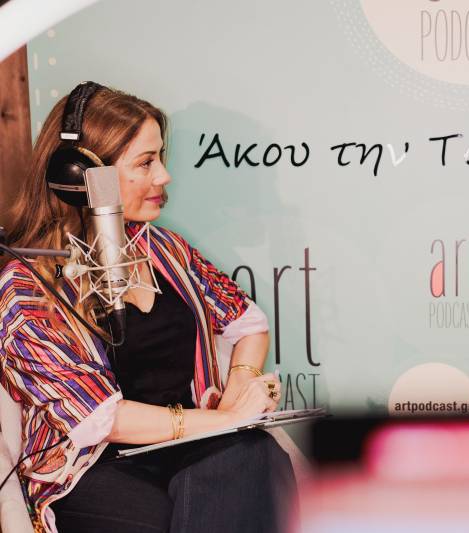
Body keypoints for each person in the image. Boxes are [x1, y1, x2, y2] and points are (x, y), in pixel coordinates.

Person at [0, 83, 295, 533]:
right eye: (145, 162)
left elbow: (247, 322)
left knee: (255, 455)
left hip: (191, 442)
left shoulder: (167, 250)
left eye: (161, 157)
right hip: (93, 466)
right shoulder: (26, 289)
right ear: (83, 177)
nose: (164, 176)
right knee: (181, 514)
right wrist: (225, 420)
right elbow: (100, 418)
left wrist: (239, 387)